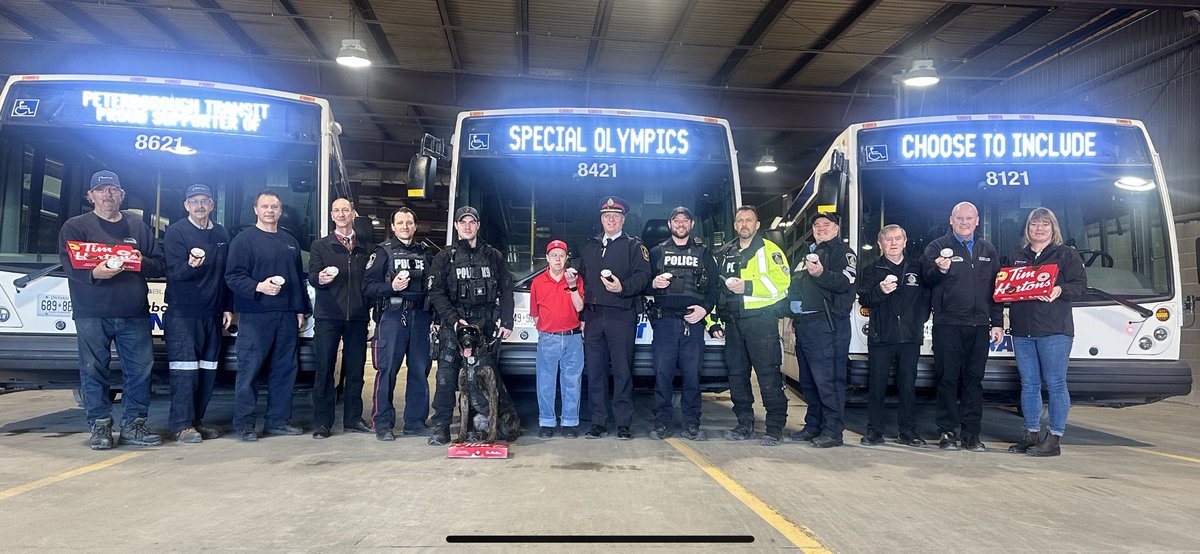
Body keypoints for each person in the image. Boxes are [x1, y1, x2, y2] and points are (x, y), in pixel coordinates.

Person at [59, 170, 166, 450]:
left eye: (114, 190)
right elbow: (70, 266)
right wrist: (95, 273)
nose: (108, 195)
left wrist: (140, 260)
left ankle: (134, 425)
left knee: (140, 371)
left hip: (134, 312)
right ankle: (100, 426)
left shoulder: (138, 228)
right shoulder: (75, 227)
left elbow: (159, 264)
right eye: (102, 189)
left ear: (122, 195)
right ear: (90, 195)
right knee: (94, 370)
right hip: (92, 311)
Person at [224, 190, 312, 441]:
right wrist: (258, 287)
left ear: (280, 211)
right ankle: (244, 424)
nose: (270, 211)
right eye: (265, 206)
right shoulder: (244, 241)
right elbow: (233, 276)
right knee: (249, 370)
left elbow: (297, 279)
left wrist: (300, 309)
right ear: (255, 210)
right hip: (255, 315)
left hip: (285, 315)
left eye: (274, 206)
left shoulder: (290, 242)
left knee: (285, 370)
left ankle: (278, 421)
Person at [426, 206, 515, 446]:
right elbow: (436, 292)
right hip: (454, 326)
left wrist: (507, 320)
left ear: (478, 225)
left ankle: (477, 426)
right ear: (456, 226)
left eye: (471, 222)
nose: (467, 226)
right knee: (446, 376)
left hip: (483, 329)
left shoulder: (493, 255)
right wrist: (454, 320)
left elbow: (507, 289)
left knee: (482, 382)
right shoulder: (445, 257)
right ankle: (441, 427)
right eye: (462, 222)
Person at [921, 201, 1004, 451]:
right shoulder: (936, 247)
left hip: (979, 326)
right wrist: (940, 269)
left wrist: (997, 323)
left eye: (969, 218)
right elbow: (927, 279)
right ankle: (947, 432)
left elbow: (996, 290)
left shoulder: (987, 250)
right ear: (951, 220)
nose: (964, 222)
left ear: (977, 221)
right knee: (947, 379)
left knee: (974, 380)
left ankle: (971, 434)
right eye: (960, 218)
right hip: (948, 324)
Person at [1006, 207, 1086, 457]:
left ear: (1053, 228)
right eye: (1034, 225)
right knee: (1029, 385)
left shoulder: (1066, 255)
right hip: (1022, 331)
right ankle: (1031, 435)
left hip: (1054, 331)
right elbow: (1004, 287)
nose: (1038, 229)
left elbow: (1080, 286)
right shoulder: (1016, 256)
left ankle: (1054, 438)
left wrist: (1059, 290)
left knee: (1055, 384)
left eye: (1044, 224)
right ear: (1027, 229)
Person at [710, 206, 791, 446]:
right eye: (739, 220)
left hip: (761, 322)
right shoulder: (724, 253)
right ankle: (744, 423)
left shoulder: (769, 250)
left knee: (768, 376)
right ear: (735, 225)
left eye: (749, 220)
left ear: (757, 225)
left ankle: (775, 427)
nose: (744, 224)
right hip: (733, 323)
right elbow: (713, 290)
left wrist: (747, 286)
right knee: (736, 377)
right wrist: (713, 320)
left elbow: (782, 283)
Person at [162, 184, 233, 444]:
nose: (200, 206)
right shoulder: (176, 232)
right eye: (194, 201)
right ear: (186, 206)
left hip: (213, 313)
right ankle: (181, 425)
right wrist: (190, 266)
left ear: (212, 205)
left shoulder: (221, 233)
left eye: (205, 201)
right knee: (184, 370)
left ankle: (197, 421)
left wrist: (227, 306)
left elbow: (226, 274)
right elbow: (175, 272)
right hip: (184, 313)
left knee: (207, 370)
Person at [578, 196, 652, 440]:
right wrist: (581, 315)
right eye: (606, 216)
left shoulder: (634, 246)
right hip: (593, 317)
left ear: (623, 219)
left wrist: (623, 287)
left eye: (615, 216)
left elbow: (644, 277)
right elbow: (582, 282)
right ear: (601, 219)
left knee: (622, 371)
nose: (611, 219)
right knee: (595, 372)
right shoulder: (590, 246)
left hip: (621, 315)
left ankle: (623, 424)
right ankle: (598, 423)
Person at [362, 207, 434, 441]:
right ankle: (383, 423)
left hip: (421, 318)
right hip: (393, 316)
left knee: (419, 372)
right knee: (387, 371)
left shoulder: (426, 253)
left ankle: (415, 422)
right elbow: (367, 286)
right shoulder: (382, 252)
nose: (405, 226)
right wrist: (390, 287)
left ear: (415, 225)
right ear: (392, 226)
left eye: (409, 222)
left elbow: (435, 287)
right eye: (400, 223)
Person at [647, 206, 719, 441]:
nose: (680, 224)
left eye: (685, 220)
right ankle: (662, 423)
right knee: (662, 376)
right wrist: (653, 284)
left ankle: (691, 424)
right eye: (676, 220)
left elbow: (714, 289)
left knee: (692, 377)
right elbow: (641, 284)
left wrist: (704, 309)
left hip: (693, 322)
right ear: (669, 224)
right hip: (665, 323)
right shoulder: (656, 252)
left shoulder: (704, 252)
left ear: (691, 224)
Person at [786, 212, 856, 448]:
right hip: (805, 325)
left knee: (829, 380)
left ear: (837, 228)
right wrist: (793, 315)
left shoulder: (842, 253)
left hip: (828, 325)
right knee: (809, 381)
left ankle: (833, 430)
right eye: (817, 225)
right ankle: (813, 425)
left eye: (827, 225)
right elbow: (796, 287)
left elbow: (846, 282)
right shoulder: (807, 254)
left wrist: (821, 274)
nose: (821, 228)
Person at [856, 224, 930, 447]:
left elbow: (925, 301)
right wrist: (880, 290)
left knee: (907, 386)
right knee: (876, 387)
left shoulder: (918, 269)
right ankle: (874, 431)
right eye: (888, 239)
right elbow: (864, 299)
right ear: (880, 244)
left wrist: (918, 322)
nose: (893, 243)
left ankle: (908, 431)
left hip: (910, 338)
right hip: (881, 338)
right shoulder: (872, 270)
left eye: (898, 238)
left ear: (905, 242)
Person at [307, 198, 372, 439]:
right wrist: (319, 279)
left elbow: (371, 280)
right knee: (324, 369)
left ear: (353, 213)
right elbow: (313, 275)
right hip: (327, 316)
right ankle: (323, 422)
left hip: (357, 316)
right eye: (337, 210)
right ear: (332, 215)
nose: (341, 214)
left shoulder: (365, 247)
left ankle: (353, 419)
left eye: (345, 210)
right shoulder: (321, 246)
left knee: (355, 370)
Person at [529, 239, 585, 439]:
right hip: (548, 338)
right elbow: (534, 313)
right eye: (554, 255)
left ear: (566, 258)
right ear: (547, 258)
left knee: (571, 382)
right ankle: (547, 421)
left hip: (572, 338)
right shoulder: (538, 282)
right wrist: (547, 330)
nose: (558, 259)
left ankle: (569, 422)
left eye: (561, 255)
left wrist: (571, 287)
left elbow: (579, 307)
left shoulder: (575, 279)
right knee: (545, 382)